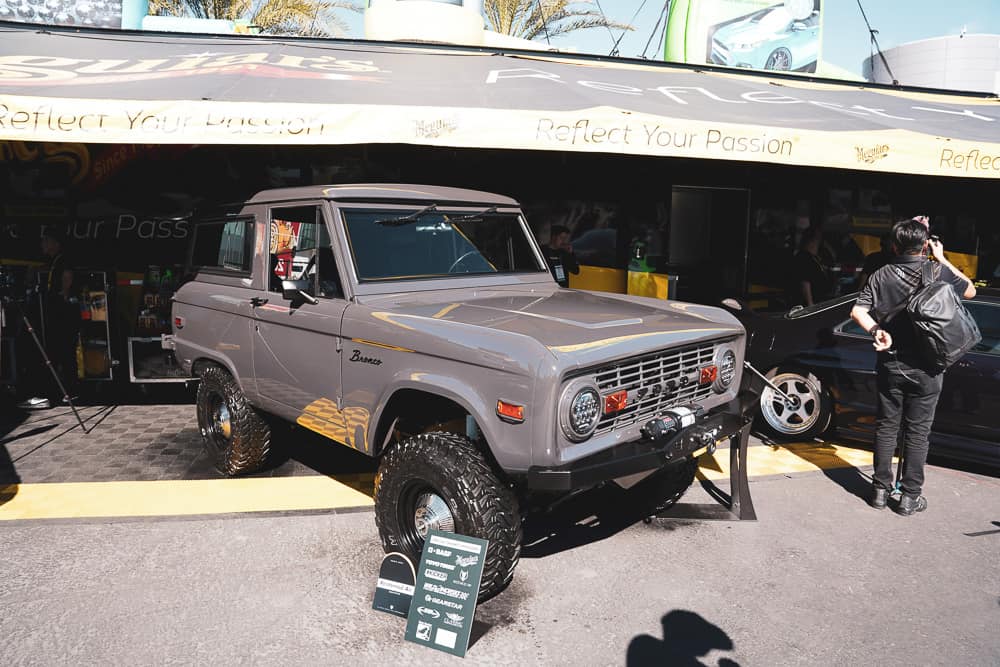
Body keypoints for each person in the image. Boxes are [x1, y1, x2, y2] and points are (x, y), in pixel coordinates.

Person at [850, 218, 975, 516]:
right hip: (929, 367)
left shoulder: (881, 274)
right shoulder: (937, 270)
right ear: (926, 246)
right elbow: (969, 291)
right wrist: (942, 257)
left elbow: (857, 310)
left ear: (893, 246)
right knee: (918, 432)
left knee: (886, 426)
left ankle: (880, 491)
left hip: (891, 362)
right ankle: (909, 497)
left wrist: (875, 330)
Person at [18, 227, 80, 410]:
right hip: (57, 314)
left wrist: (64, 294)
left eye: (46, 240)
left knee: (63, 352)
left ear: (55, 243)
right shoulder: (52, 261)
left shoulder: (63, 259)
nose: (42, 244)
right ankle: (66, 391)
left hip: (62, 315)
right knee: (61, 353)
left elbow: (67, 275)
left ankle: (67, 392)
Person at [791, 228, 833, 306]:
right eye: (818, 238)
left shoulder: (815, 258)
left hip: (820, 301)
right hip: (810, 304)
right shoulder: (803, 257)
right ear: (812, 240)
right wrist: (810, 303)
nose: (820, 241)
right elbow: (805, 281)